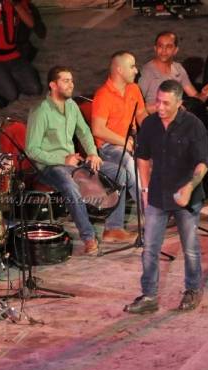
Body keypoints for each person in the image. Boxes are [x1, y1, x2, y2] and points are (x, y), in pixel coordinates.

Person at [26, 66, 137, 255]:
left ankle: (113, 228)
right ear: (53, 85)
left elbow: (84, 132)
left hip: (74, 162)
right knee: (70, 186)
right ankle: (88, 237)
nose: (71, 84)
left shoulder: (71, 106)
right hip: (50, 167)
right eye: (66, 81)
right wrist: (63, 158)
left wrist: (92, 153)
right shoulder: (40, 112)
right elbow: (31, 149)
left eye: (71, 80)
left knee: (121, 173)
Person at [125, 80, 208, 314]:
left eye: (166, 103)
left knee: (190, 248)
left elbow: (203, 163)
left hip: (187, 197)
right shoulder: (150, 124)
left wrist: (189, 187)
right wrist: (144, 190)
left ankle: (192, 290)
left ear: (179, 103)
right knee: (150, 249)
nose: (159, 107)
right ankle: (149, 296)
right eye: (158, 101)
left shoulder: (193, 125)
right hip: (158, 195)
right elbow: (142, 157)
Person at [91, 51, 148, 205]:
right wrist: (123, 141)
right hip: (109, 147)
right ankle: (147, 208)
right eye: (132, 67)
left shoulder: (134, 89)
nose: (136, 70)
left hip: (130, 142)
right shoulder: (103, 95)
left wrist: (154, 133)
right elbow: (98, 129)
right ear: (119, 70)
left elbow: (141, 114)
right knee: (129, 162)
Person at [0, 0, 42, 107]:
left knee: (35, 89)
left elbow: (31, 23)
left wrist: (15, 4)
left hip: (12, 55)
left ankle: (5, 79)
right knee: (11, 95)